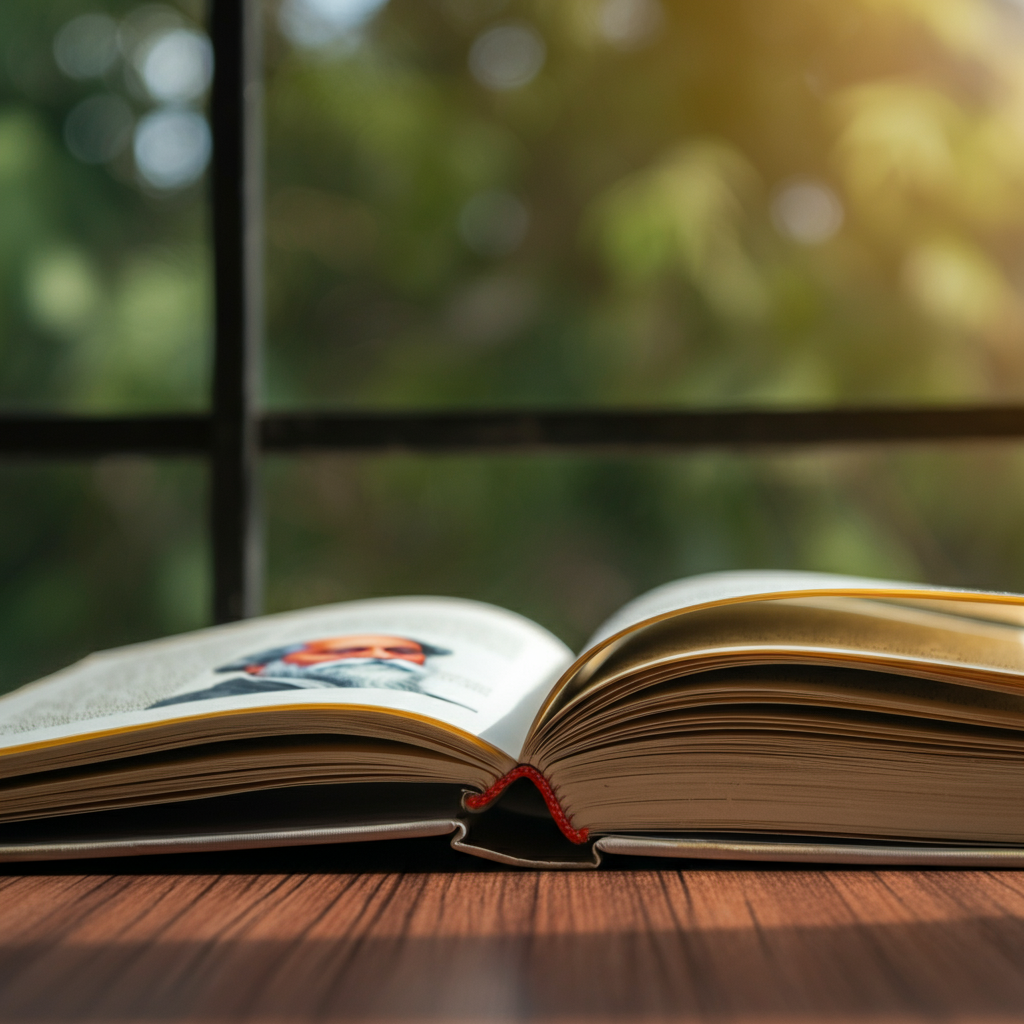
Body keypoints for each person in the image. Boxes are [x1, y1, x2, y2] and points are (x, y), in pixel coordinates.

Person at [149, 634, 451, 708]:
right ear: (258, 667)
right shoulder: (219, 700)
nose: (377, 656)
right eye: (348, 651)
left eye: (400, 652)